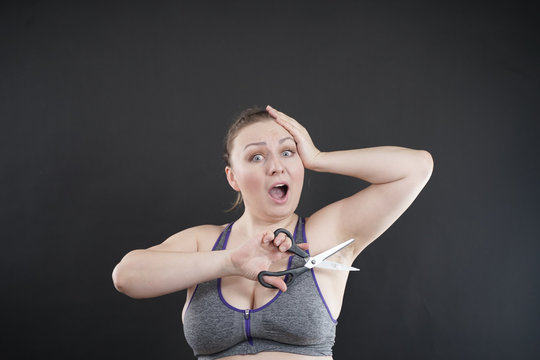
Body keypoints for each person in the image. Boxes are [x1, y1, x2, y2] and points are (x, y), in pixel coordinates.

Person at [112, 105, 433, 359]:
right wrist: (230, 263)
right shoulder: (203, 242)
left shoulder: (328, 233)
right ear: (232, 178)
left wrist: (319, 158)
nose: (276, 166)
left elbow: (415, 167)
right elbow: (126, 277)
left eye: (288, 152)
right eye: (256, 156)